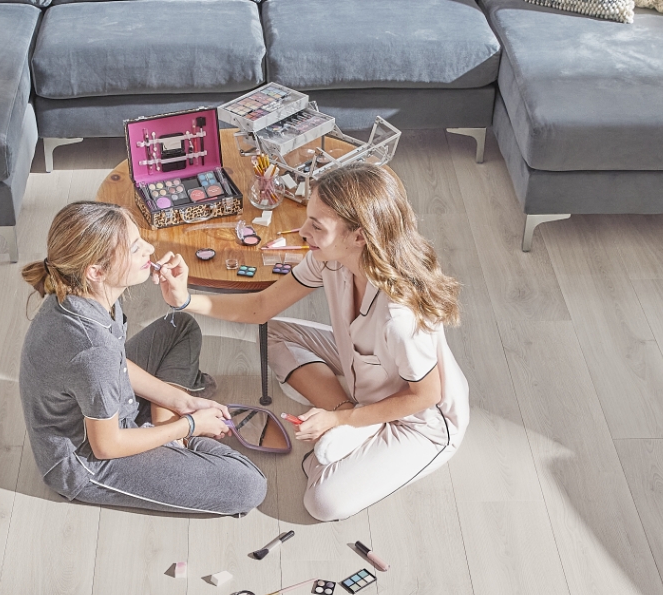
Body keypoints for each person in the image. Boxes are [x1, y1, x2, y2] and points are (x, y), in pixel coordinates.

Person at [155, 164, 468, 521]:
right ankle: (347, 415)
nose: (303, 232)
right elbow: (261, 308)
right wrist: (183, 299)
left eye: (317, 226)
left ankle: (355, 423)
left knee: (323, 503)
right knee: (269, 334)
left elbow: (425, 395)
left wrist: (341, 423)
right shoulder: (329, 261)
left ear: (359, 236)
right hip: (365, 372)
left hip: (419, 419)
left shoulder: (400, 316)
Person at [18, 200, 268, 516]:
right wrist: (189, 426)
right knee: (248, 486)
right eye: (136, 248)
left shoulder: (82, 291)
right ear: (96, 271)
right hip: (88, 458)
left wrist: (182, 403)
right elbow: (106, 446)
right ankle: (170, 441)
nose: (149, 249)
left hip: (107, 399)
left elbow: (118, 363)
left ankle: (160, 428)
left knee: (180, 327)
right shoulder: (92, 350)